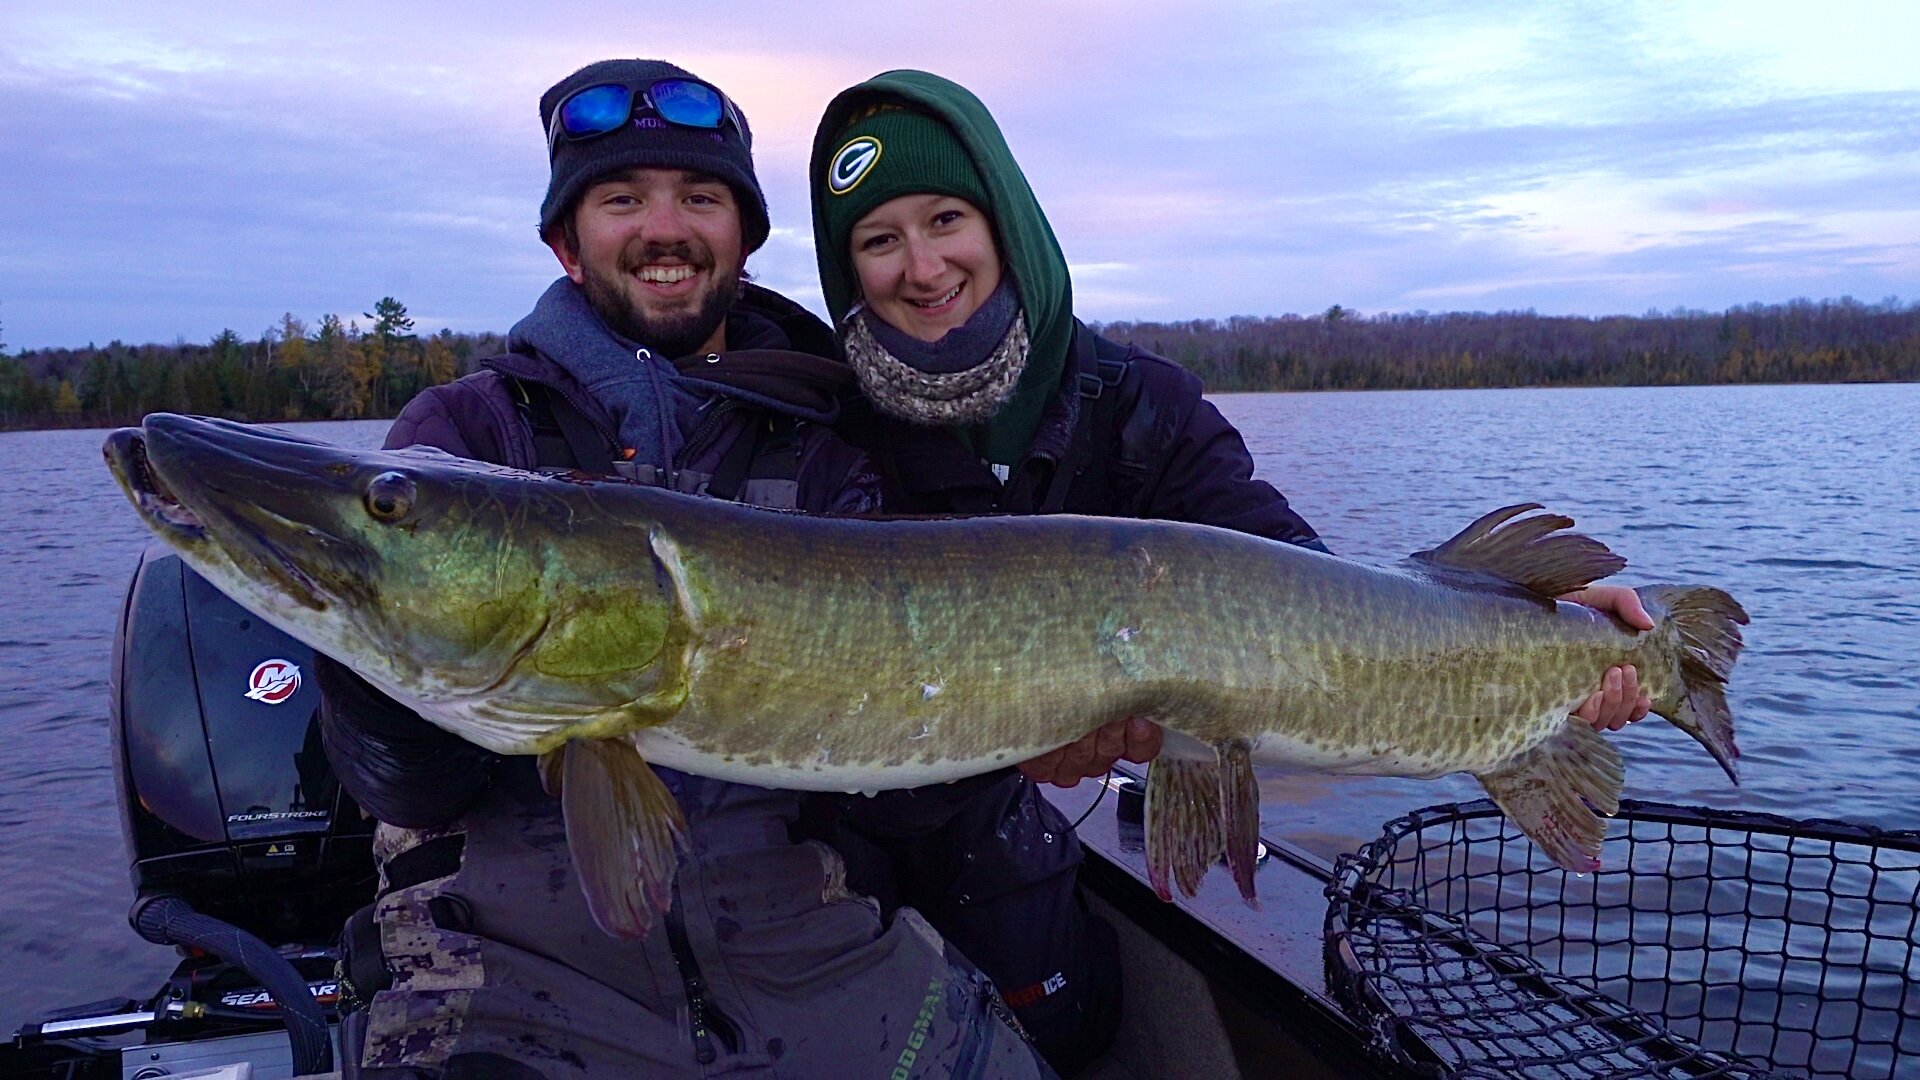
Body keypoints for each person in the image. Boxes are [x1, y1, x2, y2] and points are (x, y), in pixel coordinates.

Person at [805, 66, 1654, 1066]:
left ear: (1003, 222)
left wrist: (1528, 622)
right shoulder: (818, 429)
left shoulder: (1133, 401)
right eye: (877, 238)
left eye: (946, 217)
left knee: (1069, 1017)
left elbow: (1299, 584)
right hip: (837, 831)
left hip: (1007, 838)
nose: (921, 263)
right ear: (846, 267)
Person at [316, 59, 1058, 1079]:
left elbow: (897, 785)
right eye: (622, 199)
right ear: (566, 245)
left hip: (810, 951)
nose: (665, 228)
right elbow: (404, 784)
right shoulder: (463, 435)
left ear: (744, 241)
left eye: (701, 198)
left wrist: (1029, 723)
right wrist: (375, 649)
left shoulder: (828, 438)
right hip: (510, 969)